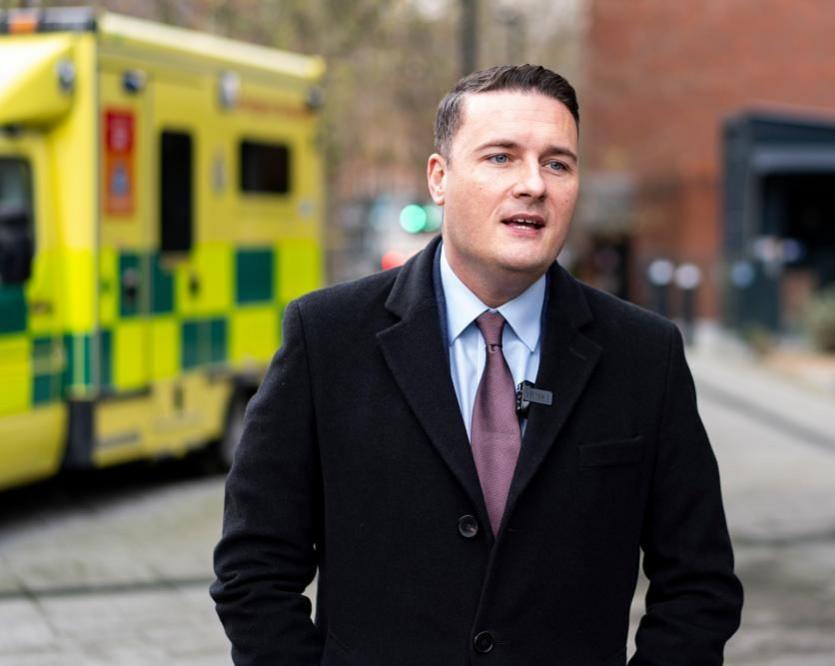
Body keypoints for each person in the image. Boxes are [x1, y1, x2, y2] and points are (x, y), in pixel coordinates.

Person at [211, 64, 743, 665]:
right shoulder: (327, 338)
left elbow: (700, 588)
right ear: (439, 177)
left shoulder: (646, 355)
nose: (533, 185)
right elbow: (253, 571)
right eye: (501, 157)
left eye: (557, 163)